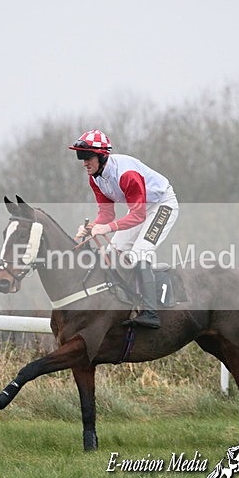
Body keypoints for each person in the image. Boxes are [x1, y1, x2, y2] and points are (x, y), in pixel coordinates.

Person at [70, 129, 179, 329]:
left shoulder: (127, 175)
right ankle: (125, 302)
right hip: (141, 209)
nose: (84, 162)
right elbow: (107, 214)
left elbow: (138, 216)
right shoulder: (95, 177)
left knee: (139, 254)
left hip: (162, 205)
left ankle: (151, 312)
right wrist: (91, 227)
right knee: (112, 253)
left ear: (102, 156)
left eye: (87, 157)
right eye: (80, 157)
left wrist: (106, 228)